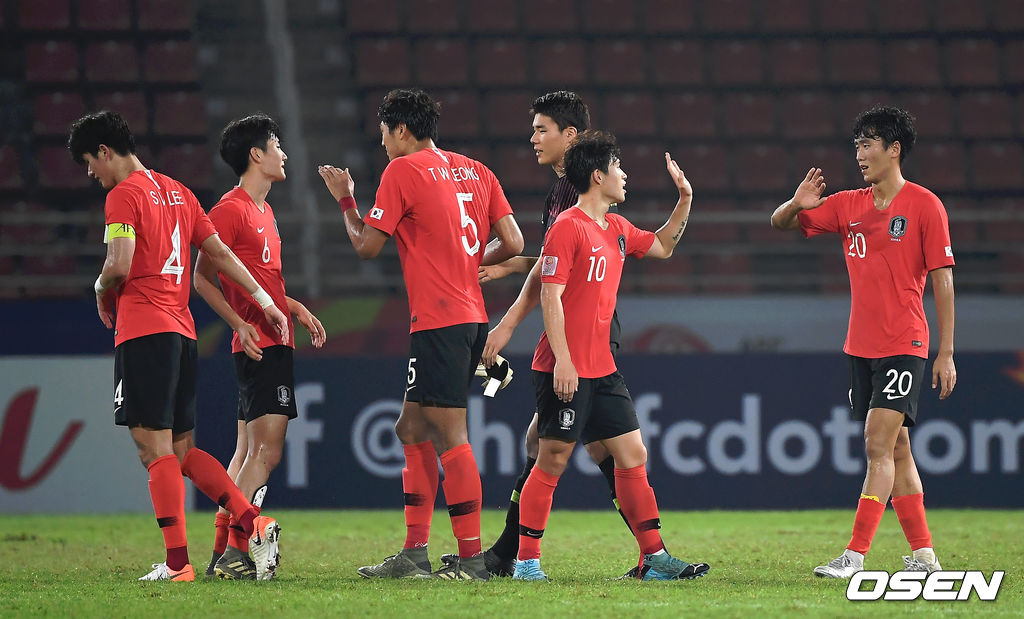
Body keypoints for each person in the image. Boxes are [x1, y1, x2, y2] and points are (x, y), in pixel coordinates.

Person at [69, 111, 289, 582]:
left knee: (153, 449)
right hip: (183, 334)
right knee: (184, 450)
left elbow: (119, 263)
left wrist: (99, 288)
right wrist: (265, 300)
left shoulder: (123, 197)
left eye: (90, 162)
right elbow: (220, 255)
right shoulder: (179, 192)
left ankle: (177, 564)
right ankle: (254, 522)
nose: (91, 173)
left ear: (105, 151)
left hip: (144, 331)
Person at [318, 88, 524, 581]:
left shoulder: (401, 171)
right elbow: (514, 242)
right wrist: (468, 261)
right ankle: (414, 554)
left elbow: (368, 246)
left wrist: (346, 200)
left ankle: (472, 560)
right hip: (469, 316)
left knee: (451, 436)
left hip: (440, 320)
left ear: (402, 130)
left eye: (384, 133)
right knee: (409, 428)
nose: (383, 143)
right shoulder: (477, 170)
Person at [441, 91, 639, 578]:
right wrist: (514, 266)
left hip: (584, 337)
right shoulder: (560, 195)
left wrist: (507, 321)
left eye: (541, 129)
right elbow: (553, 264)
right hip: (572, 334)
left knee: (576, 446)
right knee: (552, 442)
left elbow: (557, 275)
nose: (532, 139)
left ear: (570, 136)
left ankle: (646, 553)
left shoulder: (579, 192)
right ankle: (511, 554)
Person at [512, 130, 709, 581]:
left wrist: (685, 198)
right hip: (564, 368)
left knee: (632, 452)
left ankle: (654, 559)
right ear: (598, 176)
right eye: (618, 167)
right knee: (553, 459)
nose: (625, 175)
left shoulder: (616, 229)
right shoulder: (567, 227)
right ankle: (526, 562)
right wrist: (563, 359)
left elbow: (662, 246)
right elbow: (551, 296)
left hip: (602, 368)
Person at [770, 106, 956, 578]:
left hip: (904, 342)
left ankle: (854, 557)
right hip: (861, 345)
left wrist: (946, 352)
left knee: (877, 446)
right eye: (856, 145)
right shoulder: (849, 204)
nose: (860, 154)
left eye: (868, 143)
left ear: (894, 149)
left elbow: (943, 281)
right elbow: (781, 223)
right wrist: (796, 203)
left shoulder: (924, 205)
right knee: (898, 452)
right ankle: (925, 559)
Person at [193, 114, 326, 580]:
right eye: (276, 145)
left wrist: (295, 307)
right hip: (259, 345)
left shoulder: (265, 212)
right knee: (266, 454)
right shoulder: (229, 210)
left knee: (246, 453)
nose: (283, 153)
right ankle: (234, 553)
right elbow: (202, 278)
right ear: (257, 155)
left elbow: (261, 281)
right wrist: (238, 325)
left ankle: (219, 555)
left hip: (273, 337)